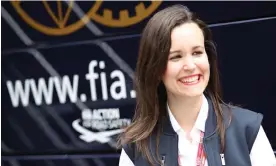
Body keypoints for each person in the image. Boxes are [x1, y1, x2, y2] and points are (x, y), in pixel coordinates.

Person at [117, 4, 276, 166]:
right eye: (176, 57)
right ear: (155, 69)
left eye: (197, 53)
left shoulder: (246, 130)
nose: (190, 66)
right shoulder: (137, 147)